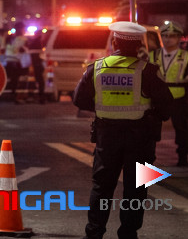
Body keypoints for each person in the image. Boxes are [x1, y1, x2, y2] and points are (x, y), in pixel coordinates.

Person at [73, 21, 172, 239]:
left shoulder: (96, 68)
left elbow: (79, 99)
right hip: (140, 138)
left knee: (101, 186)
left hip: (106, 136)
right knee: (136, 188)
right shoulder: (148, 71)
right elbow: (167, 107)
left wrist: (103, 108)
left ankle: (94, 233)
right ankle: (128, 234)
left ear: (115, 43)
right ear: (139, 46)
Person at [149, 21, 188, 166]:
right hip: (157, 98)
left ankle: (182, 158)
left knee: (182, 129)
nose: (167, 39)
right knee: (151, 129)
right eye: (165, 36)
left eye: (172, 36)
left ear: (178, 38)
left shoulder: (186, 56)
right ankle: (149, 157)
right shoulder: (152, 55)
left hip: (179, 97)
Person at [4, 22, 28, 103]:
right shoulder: (21, 39)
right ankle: (16, 96)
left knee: (14, 79)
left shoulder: (10, 38)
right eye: (23, 29)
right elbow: (19, 49)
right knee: (16, 79)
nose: (23, 30)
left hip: (12, 61)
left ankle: (15, 95)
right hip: (16, 61)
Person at [27, 29, 46, 104]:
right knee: (39, 80)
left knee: (37, 80)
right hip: (37, 64)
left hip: (35, 64)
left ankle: (36, 96)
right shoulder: (38, 41)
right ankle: (40, 97)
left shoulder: (34, 41)